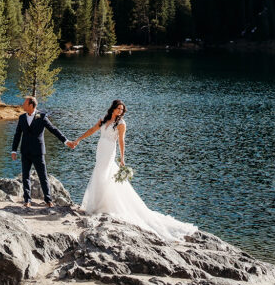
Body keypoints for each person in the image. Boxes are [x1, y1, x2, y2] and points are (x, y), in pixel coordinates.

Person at [73, 100, 197, 241]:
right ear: (113, 108)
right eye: (118, 108)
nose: (120, 111)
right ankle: (96, 204)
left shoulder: (121, 124)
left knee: (104, 173)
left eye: (122, 109)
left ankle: (101, 205)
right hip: (101, 148)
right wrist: (78, 139)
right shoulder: (104, 120)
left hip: (109, 151)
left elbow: (121, 140)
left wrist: (122, 158)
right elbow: (92, 130)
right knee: (98, 174)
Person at [11, 96, 76, 207]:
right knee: (25, 176)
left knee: (43, 176)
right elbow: (17, 135)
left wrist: (66, 141)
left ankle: (48, 200)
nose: (23, 105)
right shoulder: (21, 118)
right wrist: (14, 150)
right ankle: (27, 200)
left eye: (25, 103)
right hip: (25, 151)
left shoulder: (42, 117)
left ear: (31, 105)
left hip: (38, 152)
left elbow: (53, 130)